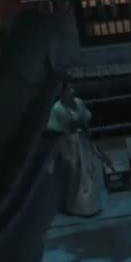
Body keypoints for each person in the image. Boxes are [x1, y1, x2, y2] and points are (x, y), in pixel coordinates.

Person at [47, 80, 109, 217]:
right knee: (73, 174)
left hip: (81, 142)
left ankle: (89, 207)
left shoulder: (78, 103)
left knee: (88, 173)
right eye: (69, 89)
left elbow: (86, 121)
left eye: (72, 89)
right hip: (67, 144)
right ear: (62, 92)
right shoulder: (57, 109)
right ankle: (73, 207)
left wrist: (86, 133)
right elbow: (54, 131)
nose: (72, 91)